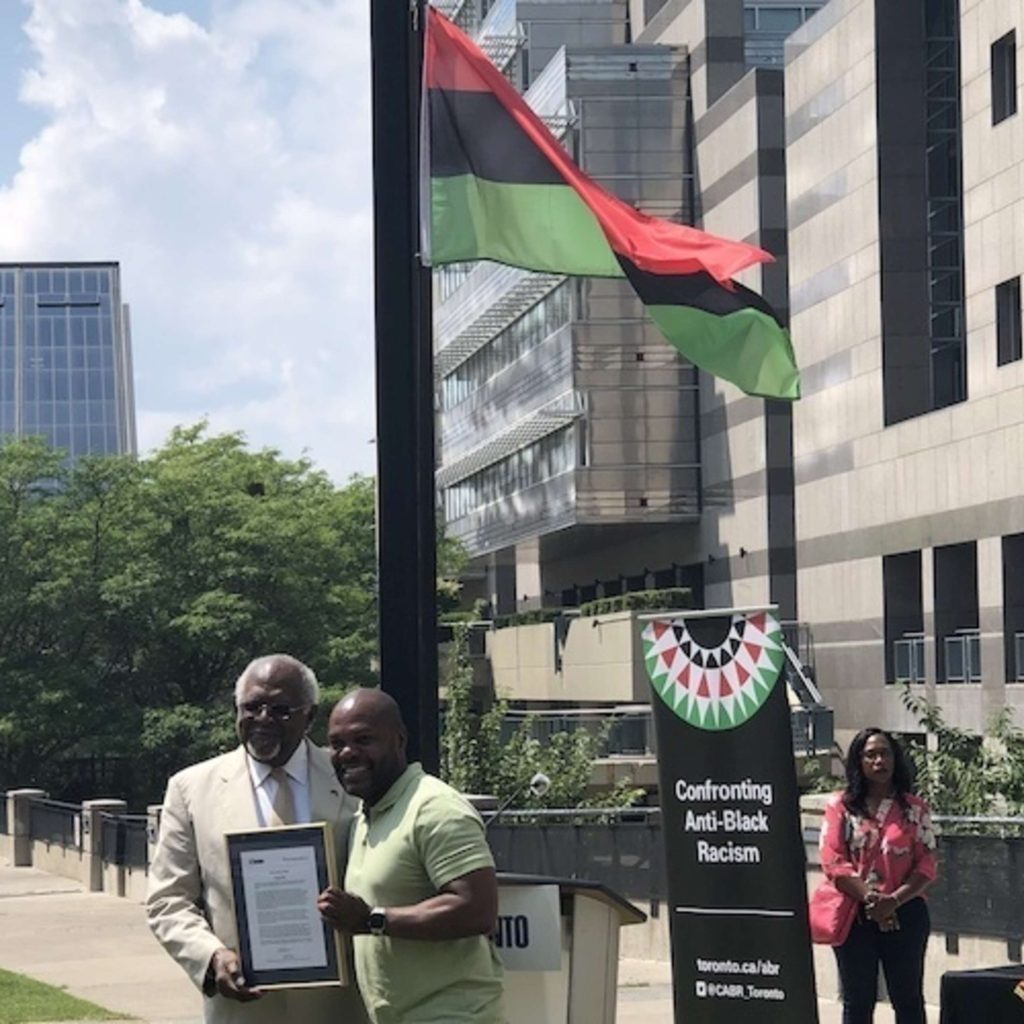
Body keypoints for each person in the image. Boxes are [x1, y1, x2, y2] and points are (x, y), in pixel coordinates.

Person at [146, 654, 367, 1024]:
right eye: (252, 707)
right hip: (243, 1010)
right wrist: (212, 957)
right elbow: (167, 900)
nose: (263, 719)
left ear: (309, 716)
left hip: (340, 1008)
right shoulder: (190, 789)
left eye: (281, 710)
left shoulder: (351, 778)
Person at [317, 688, 504, 1024]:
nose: (347, 753)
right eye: (337, 743)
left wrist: (371, 920)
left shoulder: (435, 808)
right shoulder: (365, 816)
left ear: (399, 740)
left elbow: (478, 909)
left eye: (363, 739)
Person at [820, 727, 938, 1024]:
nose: (878, 761)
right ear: (858, 762)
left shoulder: (914, 809)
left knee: (908, 999)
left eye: (884, 753)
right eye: (870, 754)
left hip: (906, 912)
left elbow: (926, 864)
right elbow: (833, 860)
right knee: (858, 1001)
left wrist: (893, 901)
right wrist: (871, 899)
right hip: (855, 914)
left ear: (895, 759)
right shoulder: (841, 807)